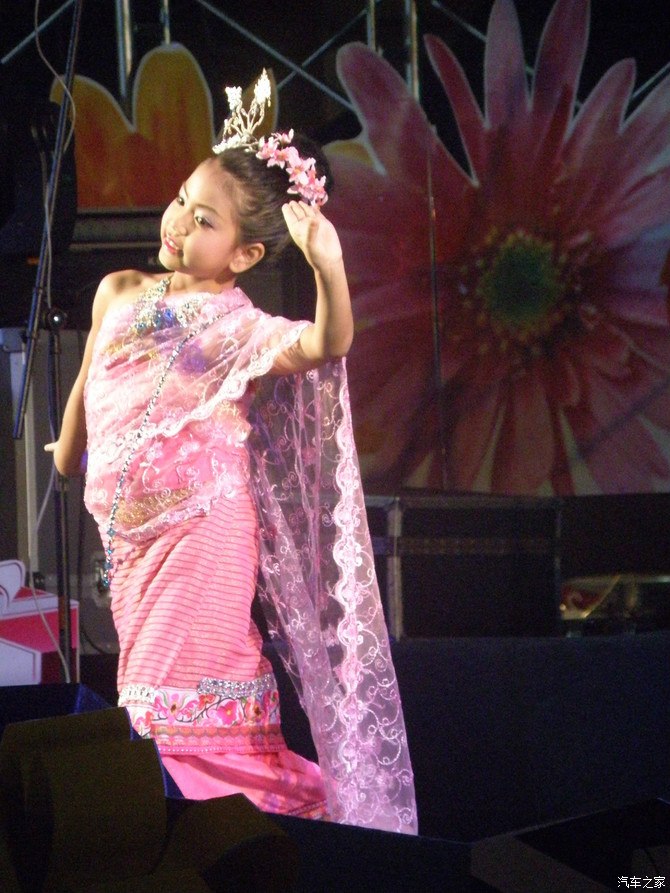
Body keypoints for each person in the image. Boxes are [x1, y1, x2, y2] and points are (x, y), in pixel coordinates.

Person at [46, 71, 417, 834]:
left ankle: (236, 838)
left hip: (203, 537)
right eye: (183, 199)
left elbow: (327, 343)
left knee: (166, 713)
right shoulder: (116, 292)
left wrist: (328, 266)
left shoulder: (238, 329)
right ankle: (210, 842)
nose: (179, 221)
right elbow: (78, 430)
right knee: (144, 705)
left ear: (245, 254)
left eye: (204, 219)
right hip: (131, 546)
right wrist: (75, 451)